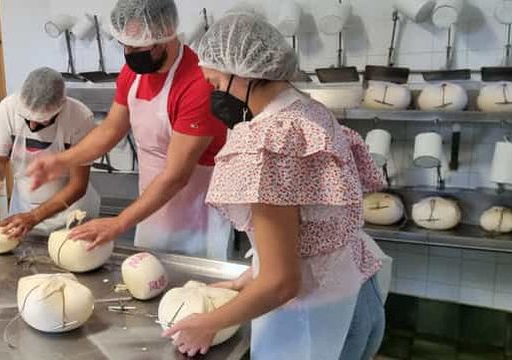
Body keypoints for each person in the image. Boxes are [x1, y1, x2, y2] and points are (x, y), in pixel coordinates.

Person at [162, 14, 386, 360]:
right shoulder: (311, 113)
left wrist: (208, 322)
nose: (215, 95)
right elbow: (310, 230)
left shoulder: (265, 142)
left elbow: (282, 282)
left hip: (317, 320)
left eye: (216, 84)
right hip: (358, 296)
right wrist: (252, 277)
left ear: (245, 73)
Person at [26, 0, 231, 258]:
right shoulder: (132, 73)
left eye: (139, 46)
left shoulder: (198, 84)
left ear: (165, 35)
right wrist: (61, 160)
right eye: (126, 45)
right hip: (151, 207)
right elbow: (111, 129)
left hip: (197, 216)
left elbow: (177, 175)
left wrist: (119, 222)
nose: (131, 53)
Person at [0, 67, 100, 237]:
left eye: (42, 121)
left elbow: (78, 186)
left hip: (70, 213)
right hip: (22, 207)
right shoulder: (8, 108)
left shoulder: (79, 117)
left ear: (60, 108)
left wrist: (35, 216)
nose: (33, 127)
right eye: (28, 119)